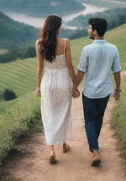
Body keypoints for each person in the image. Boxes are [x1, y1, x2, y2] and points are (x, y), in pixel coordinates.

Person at [72, 17, 121, 167]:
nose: (88, 30)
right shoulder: (113, 48)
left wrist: (74, 87)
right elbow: (117, 71)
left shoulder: (87, 49)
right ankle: (95, 146)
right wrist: (118, 89)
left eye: (89, 28)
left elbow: (80, 72)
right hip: (104, 92)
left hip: (90, 93)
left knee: (89, 120)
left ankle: (94, 150)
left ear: (94, 31)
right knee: (98, 119)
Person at [35, 15, 78, 164]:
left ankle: (52, 150)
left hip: (48, 81)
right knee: (63, 113)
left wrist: (38, 87)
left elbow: (40, 67)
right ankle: (64, 145)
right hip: (63, 81)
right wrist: (75, 86)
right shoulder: (65, 42)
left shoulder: (40, 43)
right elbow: (70, 66)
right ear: (57, 27)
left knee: (49, 115)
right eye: (61, 25)